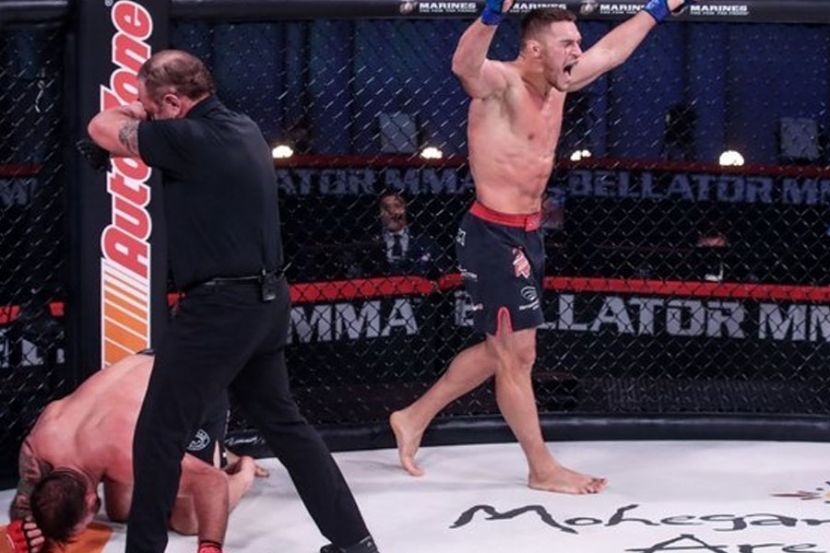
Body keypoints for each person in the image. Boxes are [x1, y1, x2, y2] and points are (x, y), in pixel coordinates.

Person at [390, 0, 694, 494]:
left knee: (499, 350)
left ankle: (413, 417)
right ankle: (541, 468)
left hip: (529, 234)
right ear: (534, 49)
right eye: (567, 43)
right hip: (493, 234)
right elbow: (464, 65)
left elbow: (611, 52)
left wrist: (658, 9)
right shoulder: (501, 84)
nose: (578, 51)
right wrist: (492, 13)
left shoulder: (561, 82)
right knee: (518, 356)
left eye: (577, 42)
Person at [86, 50, 378, 553]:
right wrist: (145, 121)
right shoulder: (242, 127)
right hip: (265, 302)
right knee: (284, 425)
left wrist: (133, 116)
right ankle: (355, 542)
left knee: (158, 434)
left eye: (151, 106)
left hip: (220, 309)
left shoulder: (188, 138)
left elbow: (99, 128)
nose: (146, 113)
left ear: (173, 103)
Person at [7, 352, 262, 553]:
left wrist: (210, 546)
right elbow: (24, 502)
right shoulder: (40, 443)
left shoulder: (129, 452)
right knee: (121, 511)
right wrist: (25, 529)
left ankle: (244, 470)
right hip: (144, 371)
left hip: (196, 381)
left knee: (188, 521)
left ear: (90, 499)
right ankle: (215, 454)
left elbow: (211, 482)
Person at [377, 190, 443, 277]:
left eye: (397, 206)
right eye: (386, 208)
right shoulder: (370, 244)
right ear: (380, 213)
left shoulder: (426, 243)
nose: (392, 212)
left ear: (406, 209)